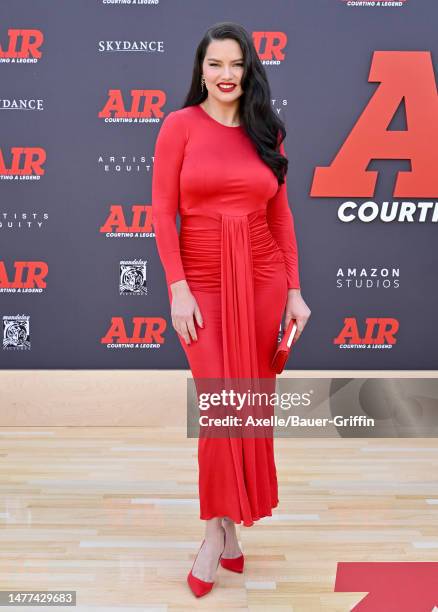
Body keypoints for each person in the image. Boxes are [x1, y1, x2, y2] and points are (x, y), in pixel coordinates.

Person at [152, 21, 311, 598]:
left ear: (249, 71)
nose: (225, 75)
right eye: (214, 64)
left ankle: (229, 535)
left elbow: (282, 217)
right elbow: (159, 214)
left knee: (246, 406)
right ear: (201, 70)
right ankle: (214, 535)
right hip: (204, 280)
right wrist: (177, 287)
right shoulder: (179, 127)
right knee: (221, 405)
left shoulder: (266, 130)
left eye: (235, 64)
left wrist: (294, 290)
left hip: (263, 276)